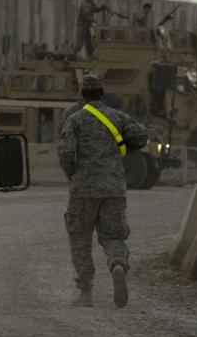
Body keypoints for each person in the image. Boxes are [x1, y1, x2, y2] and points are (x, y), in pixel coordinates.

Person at [58, 73, 148, 308]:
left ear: (83, 94)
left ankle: (85, 292)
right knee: (112, 236)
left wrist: (73, 175)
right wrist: (123, 152)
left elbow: (66, 152)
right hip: (113, 188)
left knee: (80, 239)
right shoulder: (117, 117)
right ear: (102, 92)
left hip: (83, 190)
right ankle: (117, 264)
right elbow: (141, 137)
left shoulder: (75, 120)